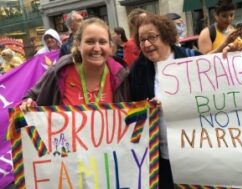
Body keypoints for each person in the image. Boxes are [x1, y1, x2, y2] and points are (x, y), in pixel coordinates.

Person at [129, 13, 202, 188]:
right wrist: (145, 109)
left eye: (152, 37)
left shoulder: (191, 58)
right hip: (161, 160)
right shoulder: (138, 70)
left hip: (197, 155)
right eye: (142, 40)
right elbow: (132, 112)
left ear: (166, 35)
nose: (146, 44)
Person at [20, 17, 130, 110]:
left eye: (102, 42)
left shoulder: (121, 75)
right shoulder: (60, 70)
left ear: (110, 46)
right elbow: (31, 96)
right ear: (78, 44)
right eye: (90, 41)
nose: (97, 48)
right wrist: (28, 103)